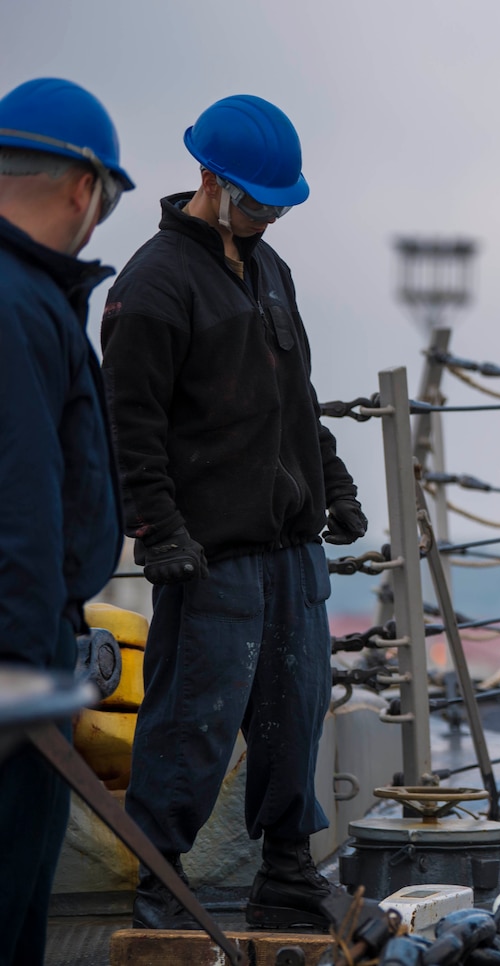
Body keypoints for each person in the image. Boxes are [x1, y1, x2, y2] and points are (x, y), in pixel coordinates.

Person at [101, 94, 368, 932]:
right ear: (209, 181)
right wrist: (159, 528)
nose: (266, 219)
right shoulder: (152, 284)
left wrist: (336, 483)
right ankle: (160, 886)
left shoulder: (270, 270)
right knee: (192, 724)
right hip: (210, 555)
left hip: (292, 548)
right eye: (255, 202)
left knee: (295, 712)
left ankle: (287, 874)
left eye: (279, 207)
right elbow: (129, 424)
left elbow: (298, 396)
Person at [0, 77, 132, 963]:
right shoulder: (17, 304)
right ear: (86, 187)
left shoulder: (26, 296)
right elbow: (19, 502)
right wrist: (26, 678)